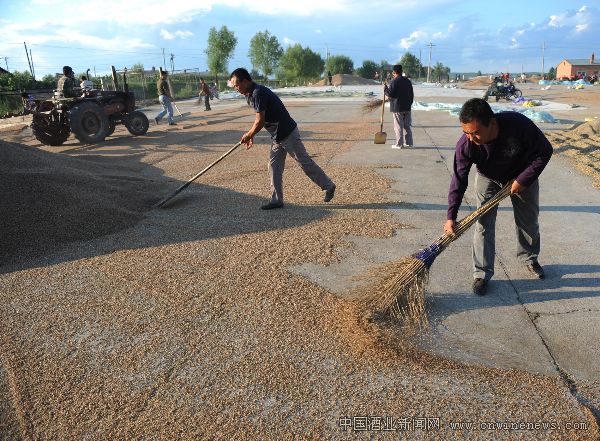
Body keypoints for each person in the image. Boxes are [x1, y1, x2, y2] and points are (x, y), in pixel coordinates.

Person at [444, 98, 553, 295]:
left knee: (528, 221)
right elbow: (459, 180)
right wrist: (451, 216)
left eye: (476, 132)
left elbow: (545, 151)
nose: (471, 138)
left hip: (522, 174)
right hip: (488, 177)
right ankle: (481, 273)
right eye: (466, 132)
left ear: (492, 123)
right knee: (483, 223)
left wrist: (523, 180)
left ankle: (529, 259)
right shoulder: (466, 144)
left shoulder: (517, 124)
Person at [229, 67, 336, 210]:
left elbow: (260, 121)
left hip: (287, 132)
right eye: (234, 86)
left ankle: (328, 185)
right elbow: (260, 120)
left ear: (246, 81)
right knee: (274, 166)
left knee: (304, 162)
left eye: (237, 85)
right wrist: (251, 134)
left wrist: (249, 134)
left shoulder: (258, 92)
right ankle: (277, 200)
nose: (236, 88)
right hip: (277, 135)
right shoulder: (250, 94)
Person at [384, 64, 414, 149]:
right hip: (407, 106)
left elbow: (391, 94)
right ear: (401, 71)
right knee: (407, 126)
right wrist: (409, 103)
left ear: (394, 72)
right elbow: (411, 94)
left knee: (398, 126)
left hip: (398, 107)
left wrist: (385, 89)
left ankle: (399, 144)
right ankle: (409, 143)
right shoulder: (407, 81)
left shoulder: (394, 81)